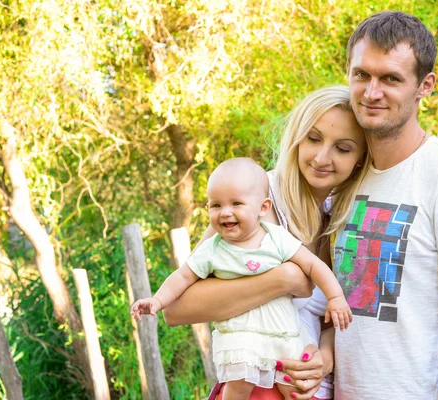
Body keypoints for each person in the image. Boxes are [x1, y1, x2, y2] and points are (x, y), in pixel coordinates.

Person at [162, 86, 371, 399]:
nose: (322, 157)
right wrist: (280, 280)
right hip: (254, 386)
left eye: (342, 148)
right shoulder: (256, 201)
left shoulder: (343, 216)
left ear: (359, 159)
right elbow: (176, 309)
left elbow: (328, 318)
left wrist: (322, 361)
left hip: (310, 389)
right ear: (296, 138)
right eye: (313, 139)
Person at [331, 10, 438, 399]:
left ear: (425, 85)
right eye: (362, 75)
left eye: (390, 78)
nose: (372, 92)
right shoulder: (341, 176)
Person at [131, 157, 353, 400]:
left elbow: (313, 265)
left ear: (263, 207)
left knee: (295, 388)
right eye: (215, 205)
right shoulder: (213, 249)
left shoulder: (276, 237)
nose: (225, 212)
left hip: (282, 331)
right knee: (238, 385)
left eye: (237, 203)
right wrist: (157, 300)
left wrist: (335, 297)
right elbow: (182, 277)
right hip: (243, 336)